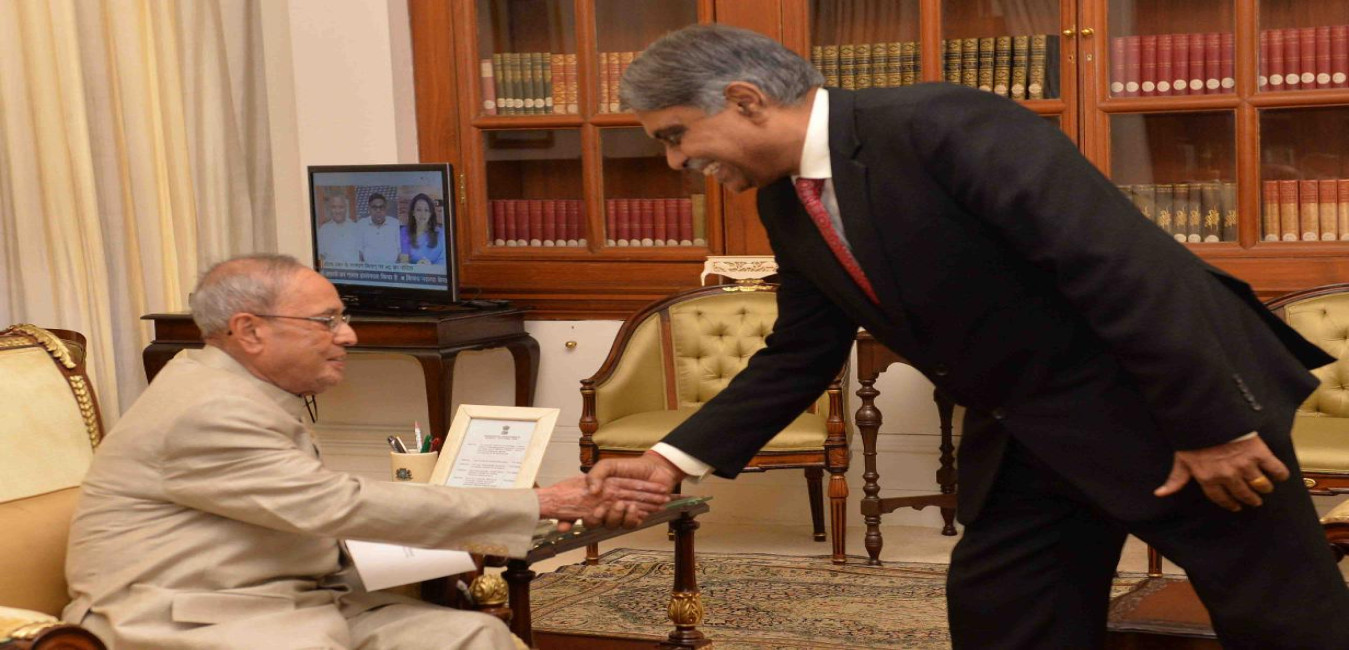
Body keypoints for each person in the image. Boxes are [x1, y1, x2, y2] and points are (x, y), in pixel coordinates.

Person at [584, 24, 1349, 649]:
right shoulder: (786, 204)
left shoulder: (941, 122)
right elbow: (798, 353)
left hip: (1166, 405)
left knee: (1284, 618)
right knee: (1004, 615)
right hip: (1026, 430)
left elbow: (1119, 268)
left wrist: (1213, 426)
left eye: (676, 135)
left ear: (744, 99)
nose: (676, 160)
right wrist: (666, 460)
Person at [63, 254, 667, 649]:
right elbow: (338, 505)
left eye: (342, 318)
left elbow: (319, 513)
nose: (348, 335)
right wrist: (542, 502)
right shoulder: (208, 410)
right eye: (326, 321)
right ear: (250, 331)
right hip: (191, 619)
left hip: (292, 599)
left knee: (475, 638)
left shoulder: (236, 389)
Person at [400, 193, 446, 265]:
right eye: (419, 210)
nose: (423, 214)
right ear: (413, 213)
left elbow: (444, 262)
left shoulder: (441, 234)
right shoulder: (404, 231)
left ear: (430, 213)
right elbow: (403, 261)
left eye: (426, 210)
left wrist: (430, 266)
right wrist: (417, 267)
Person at [357, 192, 402, 264]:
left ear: (386, 208)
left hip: (393, 268)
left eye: (381, 207)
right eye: (374, 207)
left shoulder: (396, 224)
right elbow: (359, 252)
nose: (378, 211)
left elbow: (401, 252)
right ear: (369, 208)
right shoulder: (361, 224)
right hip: (368, 269)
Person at [317, 192, 360, 265]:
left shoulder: (356, 228)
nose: (337, 211)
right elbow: (321, 257)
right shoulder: (323, 230)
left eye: (341, 207)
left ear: (346, 208)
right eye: (334, 207)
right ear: (329, 209)